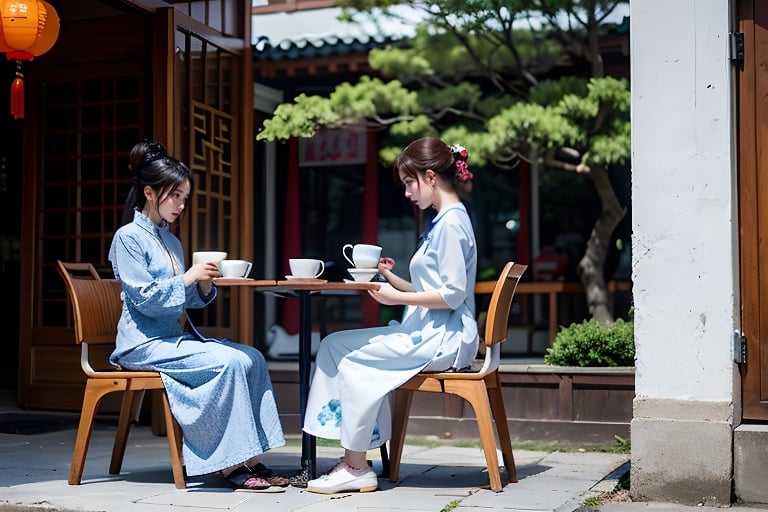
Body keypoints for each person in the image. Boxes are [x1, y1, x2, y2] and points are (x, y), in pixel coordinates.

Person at [108, 140, 287, 492]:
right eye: (175, 196)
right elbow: (145, 300)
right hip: (142, 343)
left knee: (251, 357)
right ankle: (229, 464)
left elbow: (185, 299)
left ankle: (248, 455)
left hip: (171, 339)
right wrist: (188, 277)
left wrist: (203, 284)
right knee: (228, 363)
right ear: (149, 192)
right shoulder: (128, 238)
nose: (180, 205)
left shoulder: (170, 241)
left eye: (185, 198)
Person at [302, 136, 478, 494]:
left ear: (431, 177)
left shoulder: (452, 224)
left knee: (354, 362)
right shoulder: (442, 221)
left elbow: (453, 294)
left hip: (441, 337)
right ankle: (356, 445)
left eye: (409, 182)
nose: (407, 192)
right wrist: (390, 279)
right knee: (334, 345)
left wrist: (395, 295)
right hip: (427, 327)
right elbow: (430, 286)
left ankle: (355, 465)